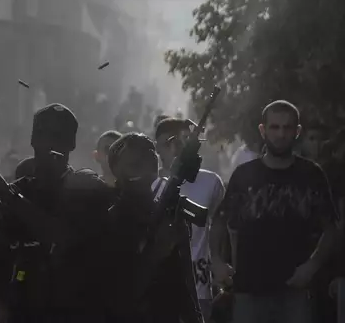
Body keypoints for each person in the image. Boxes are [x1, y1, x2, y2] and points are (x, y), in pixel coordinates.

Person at [0, 103, 111, 322]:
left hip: (72, 309)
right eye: (45, 136)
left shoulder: (86, 186)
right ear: (33, 140)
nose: (52, 145)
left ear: (71, 145)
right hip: (22, 307)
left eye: (59, 138)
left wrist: (7, 194)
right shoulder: (19, 190)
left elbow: (62, 236)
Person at [210, 100, 337, 323]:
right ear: (263, 130)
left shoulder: (311, 175)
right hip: (249, 291)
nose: (280, 134)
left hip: (295, 292)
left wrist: (312, 266)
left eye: (287, 128)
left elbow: (331, 228)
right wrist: (217, 262)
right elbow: (219, 221)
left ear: (297, 132)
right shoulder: (244, 175)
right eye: (275, 127)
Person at [104, 132, 203, 323]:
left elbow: (185, 280)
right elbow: (121, 292)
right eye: (135, 163)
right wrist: (158, 251)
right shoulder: (112, 219)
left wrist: (196, 317)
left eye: (150, 160)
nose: (146, 169)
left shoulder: (166, 211)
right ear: (117, 170)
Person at [154, 118, 225, 320]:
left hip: (199, 286)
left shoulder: (211, 182)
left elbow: (221, 229)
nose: (176, 147)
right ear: (157, 147)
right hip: (159, 286)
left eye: (184, 139)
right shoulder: (150, 183)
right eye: (170, 142)